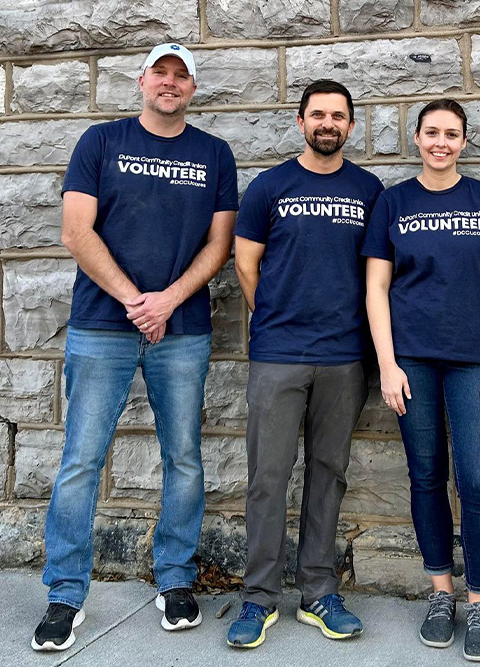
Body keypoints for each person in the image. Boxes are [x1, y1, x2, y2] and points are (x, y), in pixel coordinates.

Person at [32, 43, 238, 651]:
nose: (170, 83)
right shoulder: (101, 142)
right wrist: (135, 301)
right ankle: (66, 595)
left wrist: (168, 301)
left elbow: (219, 244)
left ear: (193, 88)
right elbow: (76, 231)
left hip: (182, 330)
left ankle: (174, 579)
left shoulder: (214, 154)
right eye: (161, 73)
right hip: (102, 325)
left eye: (181, 76)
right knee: (80, 463)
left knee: (184, 458)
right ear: (142, 80)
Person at [227, 80, 384, 649]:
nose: (328, 123)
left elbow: (378, 272)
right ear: (301, 121)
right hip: (277, 355)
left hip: (345, 357)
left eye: (338, 116)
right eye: (318, 114)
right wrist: (275, 317)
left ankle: (318, 592)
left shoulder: (369, 189)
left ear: (350, 125)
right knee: (267, 477)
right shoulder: (270, 185)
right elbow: (247, 263)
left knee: (328, 473)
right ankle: (259, 597)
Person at [362, 99, 480, 662]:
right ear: (417, 138)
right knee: (426, 475)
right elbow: (376, 288)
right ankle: (441, 594)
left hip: (476, 362)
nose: (441, 143)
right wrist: (387, 362)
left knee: (478, 480)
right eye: (432, 133)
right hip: (413, 363)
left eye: (452, 134)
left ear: (465, 142)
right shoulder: (393, 202)